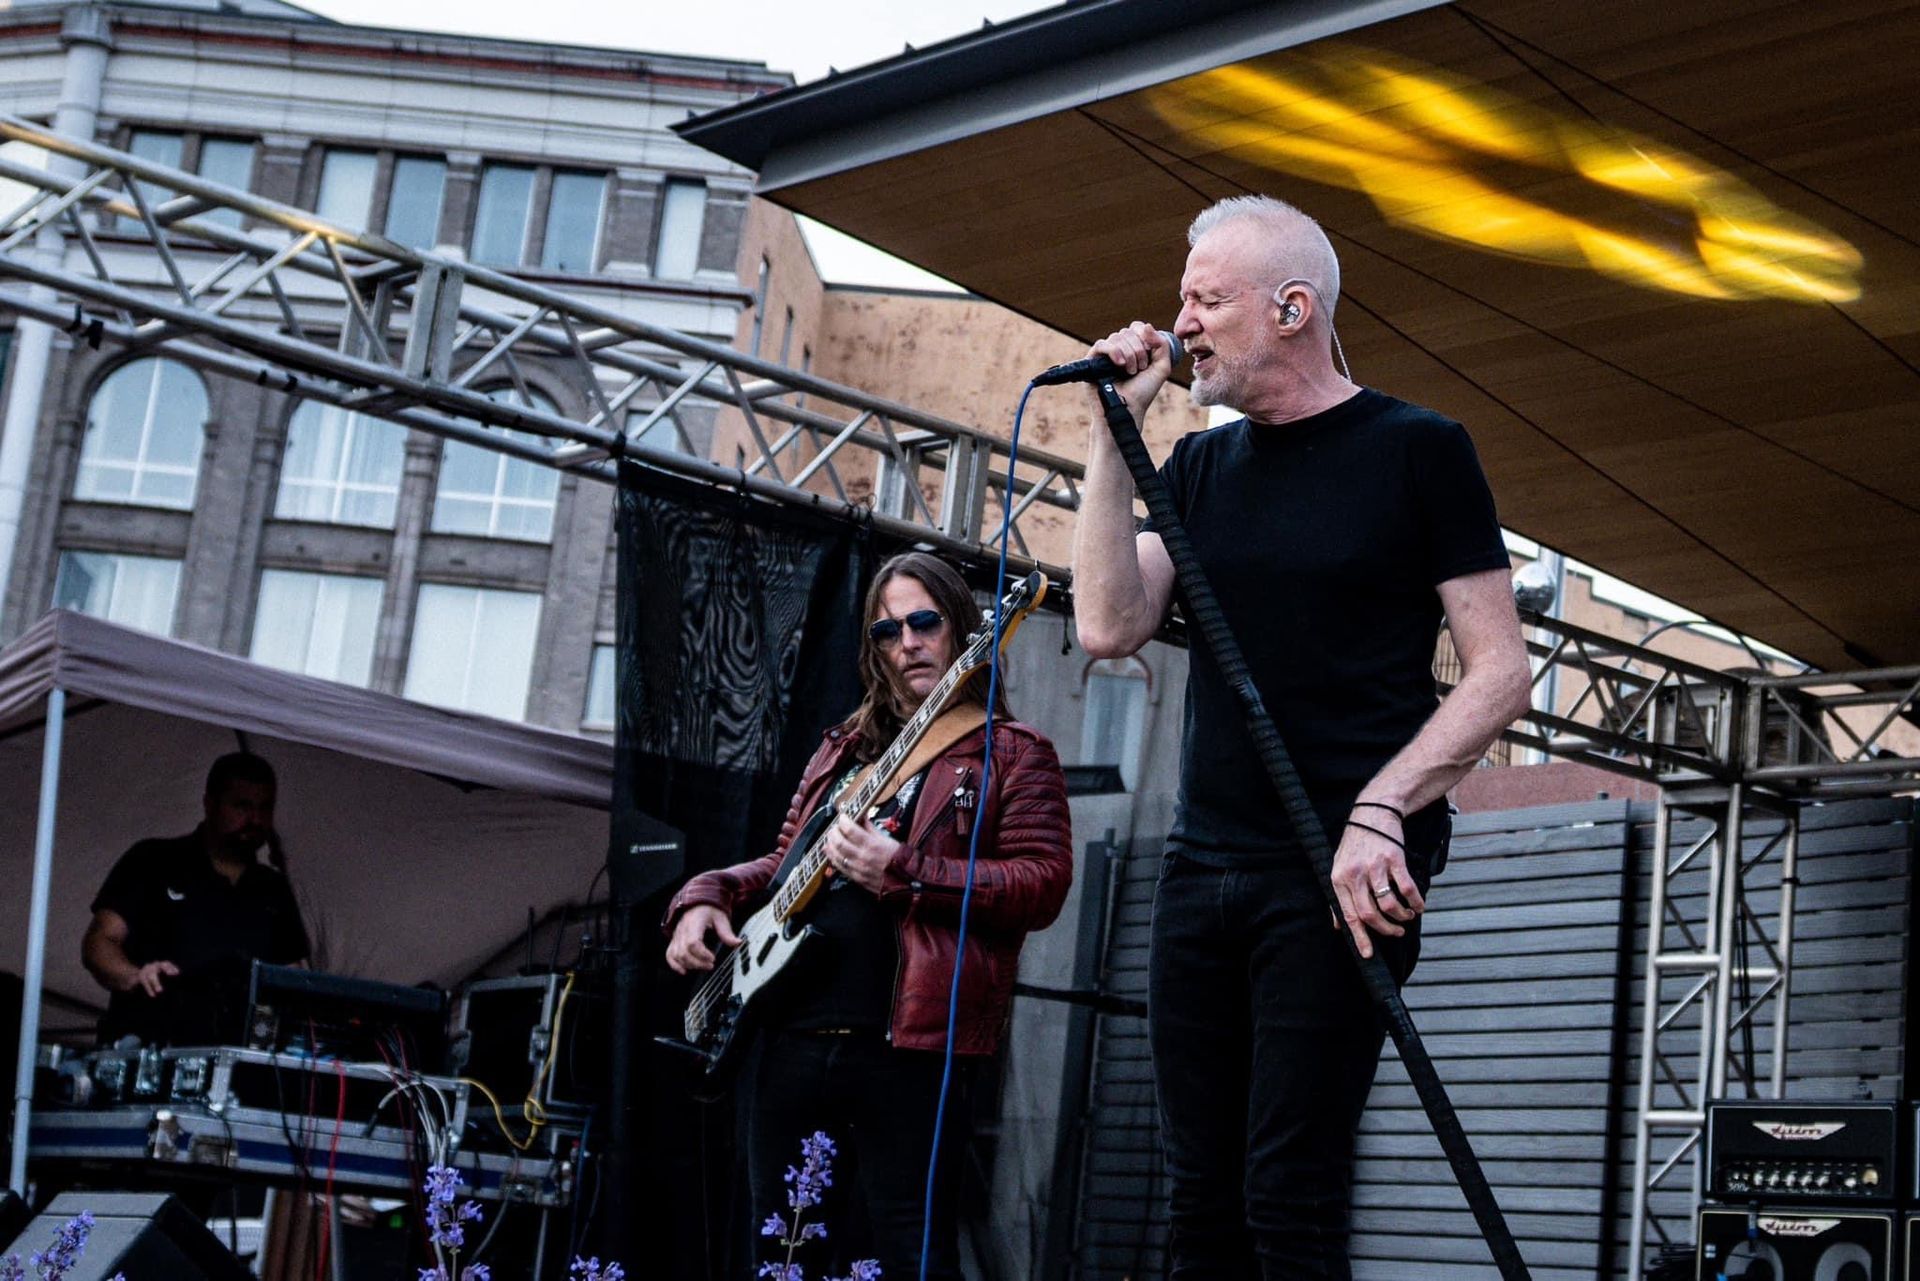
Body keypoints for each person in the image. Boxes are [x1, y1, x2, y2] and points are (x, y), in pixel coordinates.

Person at [1071, 194, 1532, 1278]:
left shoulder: (1417, 450)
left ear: (1291, 308)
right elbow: (1104, 624)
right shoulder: (1196, 472)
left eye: (1206, 298)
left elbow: (1499, 671)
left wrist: (1385, 807)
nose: (1179, 323)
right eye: (1182, 296)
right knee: (1197, 1203)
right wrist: (1112, 437)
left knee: (1288, 1194)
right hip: (1204, 865)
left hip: (1343, 863)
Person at [664, 551, 1073, 1280]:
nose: (907, 642)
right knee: (781, 1250)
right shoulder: (843, 751)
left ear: (960, 628)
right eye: (887, 631)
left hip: (909, 1049)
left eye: (924, 622)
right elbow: (786, 866)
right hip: (788, 1037)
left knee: (912, 1253)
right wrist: (708, 892)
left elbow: (1041, 883)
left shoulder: (1012, 753)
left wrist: (905, 873)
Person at [83, 751, 309, 1047]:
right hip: (149, 1051)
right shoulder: (153, 859)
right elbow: (99, 942)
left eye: (264, 808)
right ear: (209, 804)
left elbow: (295, 975)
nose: (254, 819)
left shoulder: (274, 887)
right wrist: (136, 977)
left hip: (243, 1063)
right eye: (242, 806)